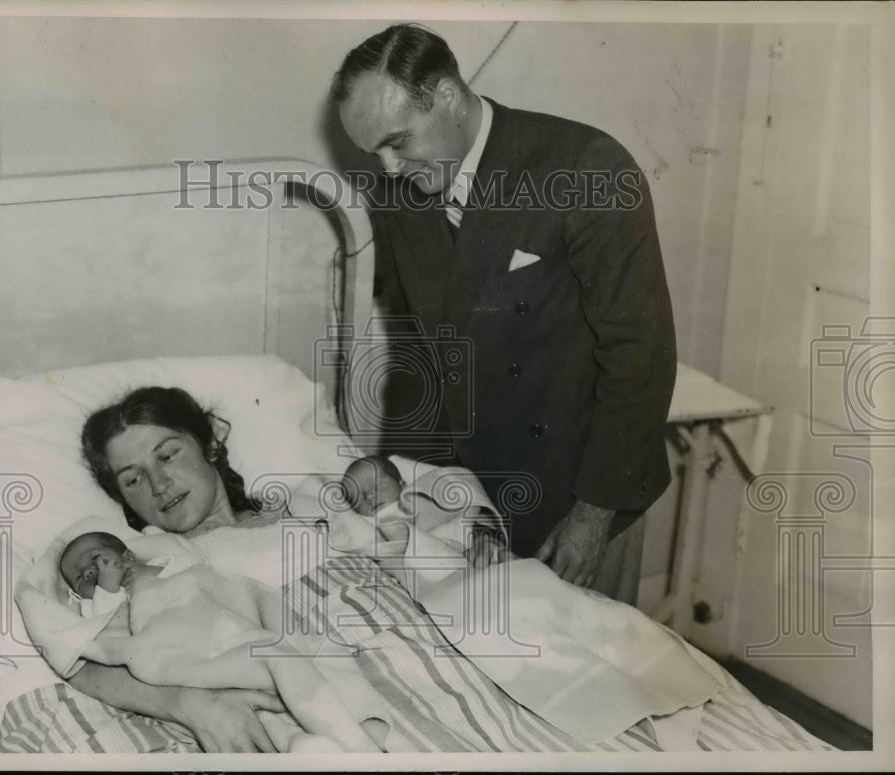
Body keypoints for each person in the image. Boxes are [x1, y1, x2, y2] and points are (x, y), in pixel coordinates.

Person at [333, 24, 677, 603]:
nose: (389, 169)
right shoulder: (401, 190)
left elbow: (640, 355)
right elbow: (424, 351)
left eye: (399, 141)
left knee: (590, 678)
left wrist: (592, 517)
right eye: (375, 153)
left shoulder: (587, 168)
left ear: (446, 95)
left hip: (580, 490)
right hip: (464, 498)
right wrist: (403, 480)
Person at [64, 385, 295, 751]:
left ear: (210, 445)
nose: (158, 484)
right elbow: (79, 659)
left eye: (167, 455)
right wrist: (187, 703)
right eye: (134, 479)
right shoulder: (146, 563)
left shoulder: (301, 509)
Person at [58, 530, 383, 753]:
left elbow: (236, 592)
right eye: (79, 577)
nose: (89, 572)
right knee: (275, 660)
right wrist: (108, 588)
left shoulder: (178, 570)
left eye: (95, 559)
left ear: (128, 556)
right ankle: (356, 748)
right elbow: (102, 632)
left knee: (273, 693)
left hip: (222, 648)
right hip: (179, 663)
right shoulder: (107, 605)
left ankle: (303, 745)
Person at [340, 454, 506, 568]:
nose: (369, 496)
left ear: (403, 485)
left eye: (378, 485)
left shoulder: (422, 500)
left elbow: (463, 515)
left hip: (471, 552)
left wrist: (478, 536)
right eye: (358, 498)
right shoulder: (367, 527)